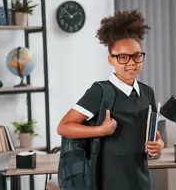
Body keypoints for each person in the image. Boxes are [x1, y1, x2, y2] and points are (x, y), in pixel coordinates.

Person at [56, 10, 164, 190]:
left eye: (136, 56)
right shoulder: (100, 91)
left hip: (140, 179)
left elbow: (151, 139)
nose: (131, 63)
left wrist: (158, 145)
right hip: (107, 181)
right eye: (123, 57)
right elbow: (64, 127)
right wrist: (101, 130)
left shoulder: (147, 93)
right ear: (111, 60)